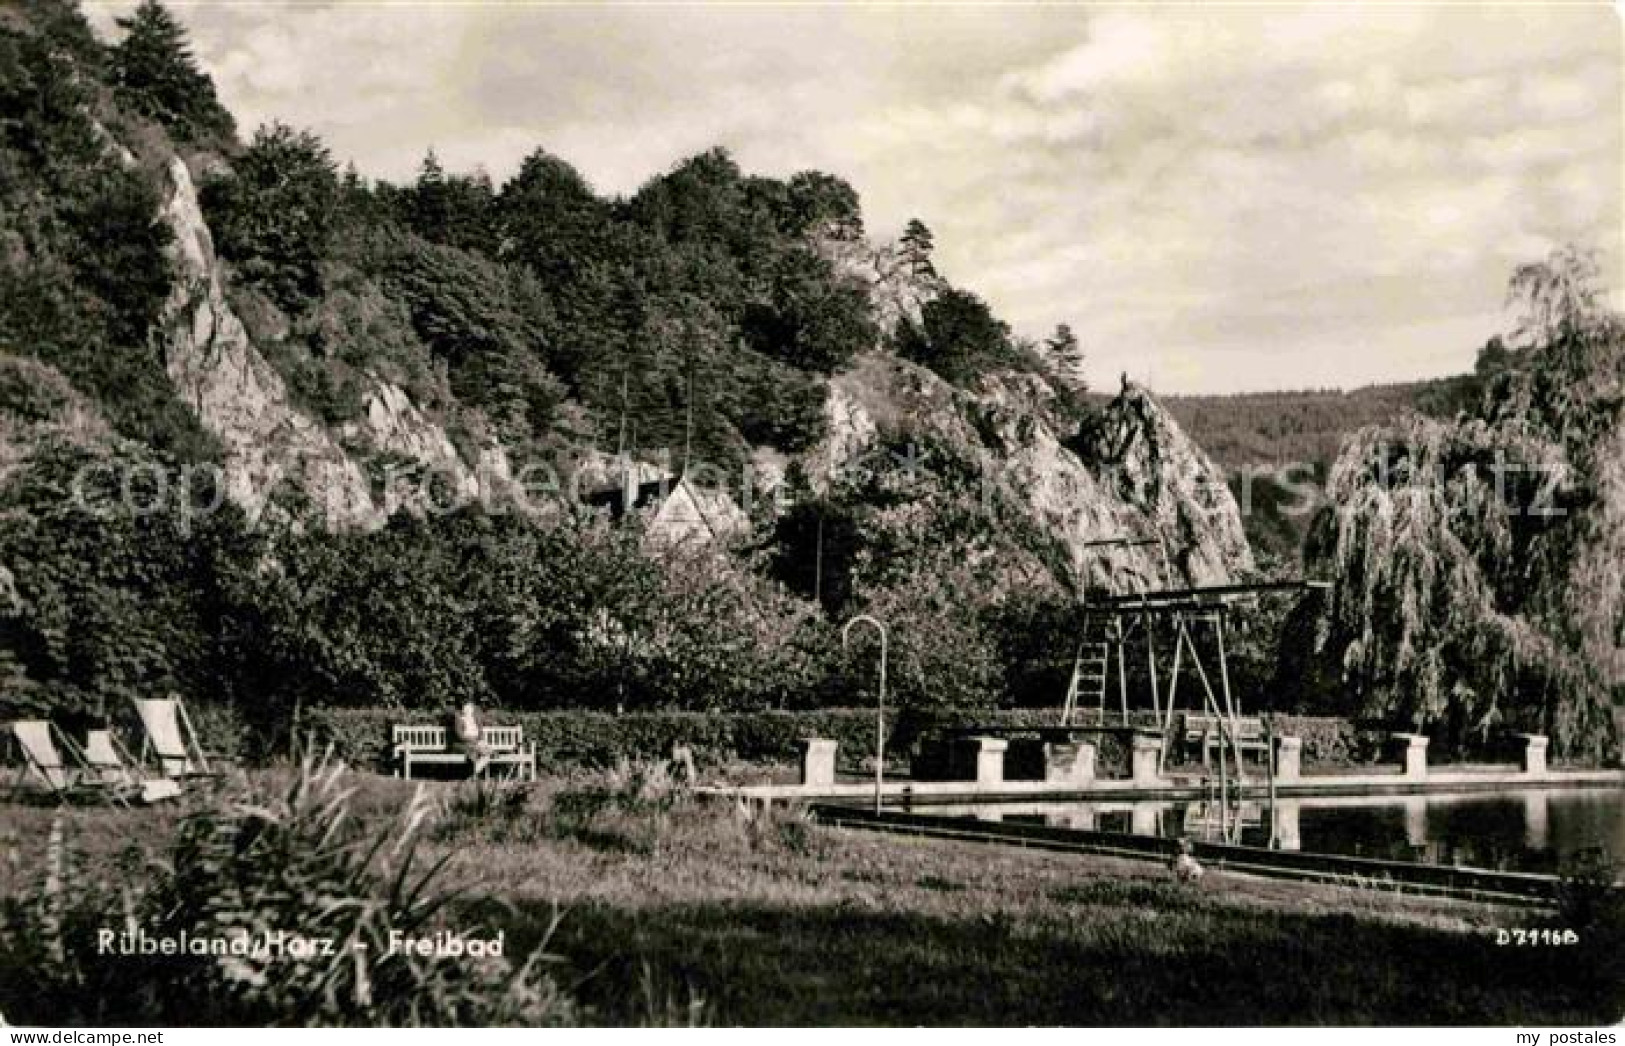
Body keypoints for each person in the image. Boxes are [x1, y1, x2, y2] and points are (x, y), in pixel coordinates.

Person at [450, 700, 492, 777]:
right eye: (466, 709)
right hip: (463, 743)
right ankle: (474, 772)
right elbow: (459, 735)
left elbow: (480, 732)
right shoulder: (459, 719)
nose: (468, 711)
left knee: (486, 751)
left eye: (470, 709)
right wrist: (472, 739)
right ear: (463, 710)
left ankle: (475, 770)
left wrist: (480, 740)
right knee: (480, 750)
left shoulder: (475, 719)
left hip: (476, 742)